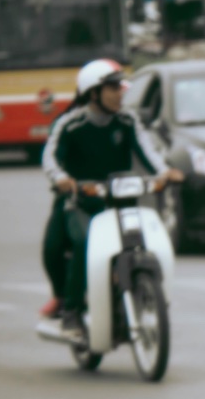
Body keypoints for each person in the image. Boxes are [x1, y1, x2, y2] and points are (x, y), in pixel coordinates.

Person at [38, 59, 184, 339]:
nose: (121, 93)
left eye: (121, 87)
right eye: (113, 87)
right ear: (93, 93)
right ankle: (70, 313)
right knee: (79, 243)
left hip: (120, 201)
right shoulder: (70, 124)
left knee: (144, 242)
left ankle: (143, 291)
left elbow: (148, 152)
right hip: (80, 203)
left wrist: (165, 172)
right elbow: (50, 157)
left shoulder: (128, 121)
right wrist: (61, 179)